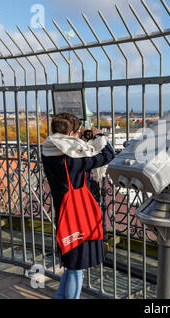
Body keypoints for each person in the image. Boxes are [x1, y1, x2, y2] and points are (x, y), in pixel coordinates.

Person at [41, 113, 115, 299]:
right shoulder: (73, 159)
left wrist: (77, 138)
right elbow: (107, 155)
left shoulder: (49, 150)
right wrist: (99, 136)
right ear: (71, 135)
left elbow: (70, 148)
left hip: (63, 211)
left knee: (71, 263)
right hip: (79, 214)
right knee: (77, 268)